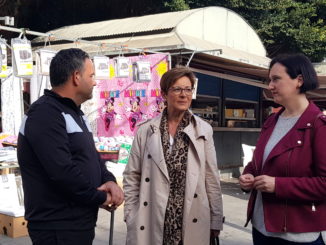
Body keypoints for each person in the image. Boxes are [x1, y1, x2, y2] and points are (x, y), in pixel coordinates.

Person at [17, 48, 124, 245]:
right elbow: (61, 171)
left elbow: (91, 156)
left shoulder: (76, 113)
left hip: (78, 223)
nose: (94, 81)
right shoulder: (45, 114)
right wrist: (99, 197)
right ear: (76, 77)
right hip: (57, 226)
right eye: (91, 75)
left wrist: (109, 180)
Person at [123, 67, 223, 245]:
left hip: (191, 217)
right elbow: (132, 175)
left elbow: (211, 177)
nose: (184, 95)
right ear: (164, 94)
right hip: (153, 217)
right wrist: (131, 214)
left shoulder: (203, 130)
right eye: (177, 89)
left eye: (188, 89)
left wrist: (216, 218)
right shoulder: (146, 131)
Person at [239, 53, 326, 245]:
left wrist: (278, 185)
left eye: (276, 79)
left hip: (296, 235)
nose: (270, 86)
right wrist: (248, 176)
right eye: (270, 80)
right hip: (261, 228)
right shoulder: (271, 121)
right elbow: (258, 163)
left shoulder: (319, 125)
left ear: (299, 80)